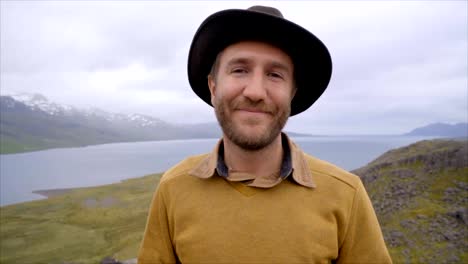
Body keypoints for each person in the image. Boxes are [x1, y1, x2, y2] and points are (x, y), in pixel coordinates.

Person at [138, 5, 392, 264]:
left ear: (292, 94)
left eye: (274, 74)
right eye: (239, 70)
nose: (256, 92)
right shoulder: (173, 188)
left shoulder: (345, 195)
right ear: (213, 87)